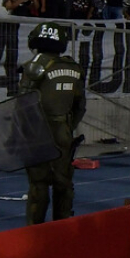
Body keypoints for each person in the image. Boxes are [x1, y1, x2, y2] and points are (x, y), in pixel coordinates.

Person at [18, 22, 85, 225]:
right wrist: (67, 126)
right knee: (63, 183)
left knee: (39, 184)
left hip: (38, 131)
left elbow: (23, 104)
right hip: (64, 130)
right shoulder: (74, 68)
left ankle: (35, 230)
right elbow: (80, 106)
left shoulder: (35, 66)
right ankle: (62, 228)